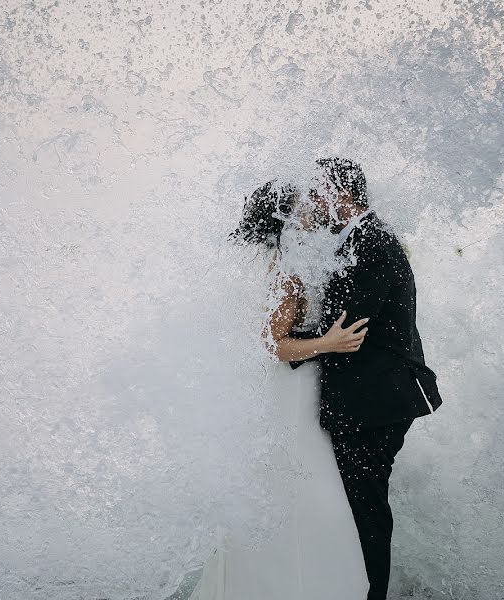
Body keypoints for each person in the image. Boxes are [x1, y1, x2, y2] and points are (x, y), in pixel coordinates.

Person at [188, 177, 375, 600]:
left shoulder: (267, 261)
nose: (314, 208)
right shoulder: (286, 270)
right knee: (304, 488)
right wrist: (330, 342)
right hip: (294, 391)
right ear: (285, 216)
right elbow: (273, 342)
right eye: (305, 203)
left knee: (286, 484)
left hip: (278, 391)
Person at [287, 157, 444, 600]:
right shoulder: (356, 238)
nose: (311, 204)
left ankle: (372, 593)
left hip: (378, 401)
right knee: (358, 504)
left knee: (366, 508)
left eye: (316, 194)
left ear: (337, 195)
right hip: (372, 396)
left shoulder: (372, 242)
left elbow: (347, 329)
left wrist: (276, 346)